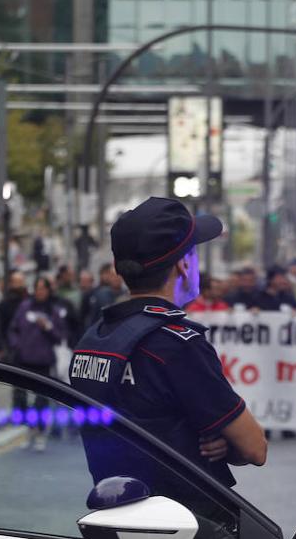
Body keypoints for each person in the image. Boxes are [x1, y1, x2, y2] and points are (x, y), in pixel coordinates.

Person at [72, 196, 267, 495]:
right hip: (187, 525)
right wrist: (224, 444)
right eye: (195, 255)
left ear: (118, 266)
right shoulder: (177, 345)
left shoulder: (92, 340)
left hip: (114, 511)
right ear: (184, 265)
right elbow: (254, 448)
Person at [7, 276, 69, 451]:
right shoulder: (25, 307)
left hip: (43, 361)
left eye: (43, 288)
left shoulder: (53, 311)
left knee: (41, 401)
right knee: (21, 399)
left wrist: (48, 327)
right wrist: (16, 345)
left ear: (48, 291)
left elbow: (60, 337)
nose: (40, 291)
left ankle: (40, 433)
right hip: (24, 359)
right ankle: (30, 429)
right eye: (37, 288)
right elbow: (13, 329)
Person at [0, 270, 27, 362]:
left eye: (21, 282)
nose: (19, 285)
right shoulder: (5, 303)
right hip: (9, 348)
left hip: (26, 348)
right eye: (17, 282)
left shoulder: (29, 301)